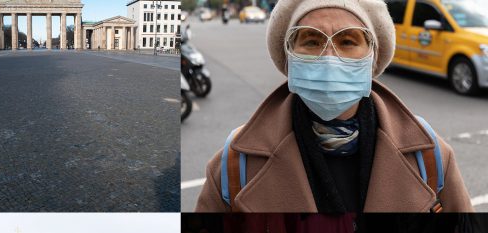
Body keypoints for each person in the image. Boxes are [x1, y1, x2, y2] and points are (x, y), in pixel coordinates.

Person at [195, 0, 473, 213]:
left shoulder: (431, 156)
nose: (330, 57)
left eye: (348, 41)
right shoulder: (234, 165)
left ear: (372, 57)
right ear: (289, 55)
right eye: (312, 41)